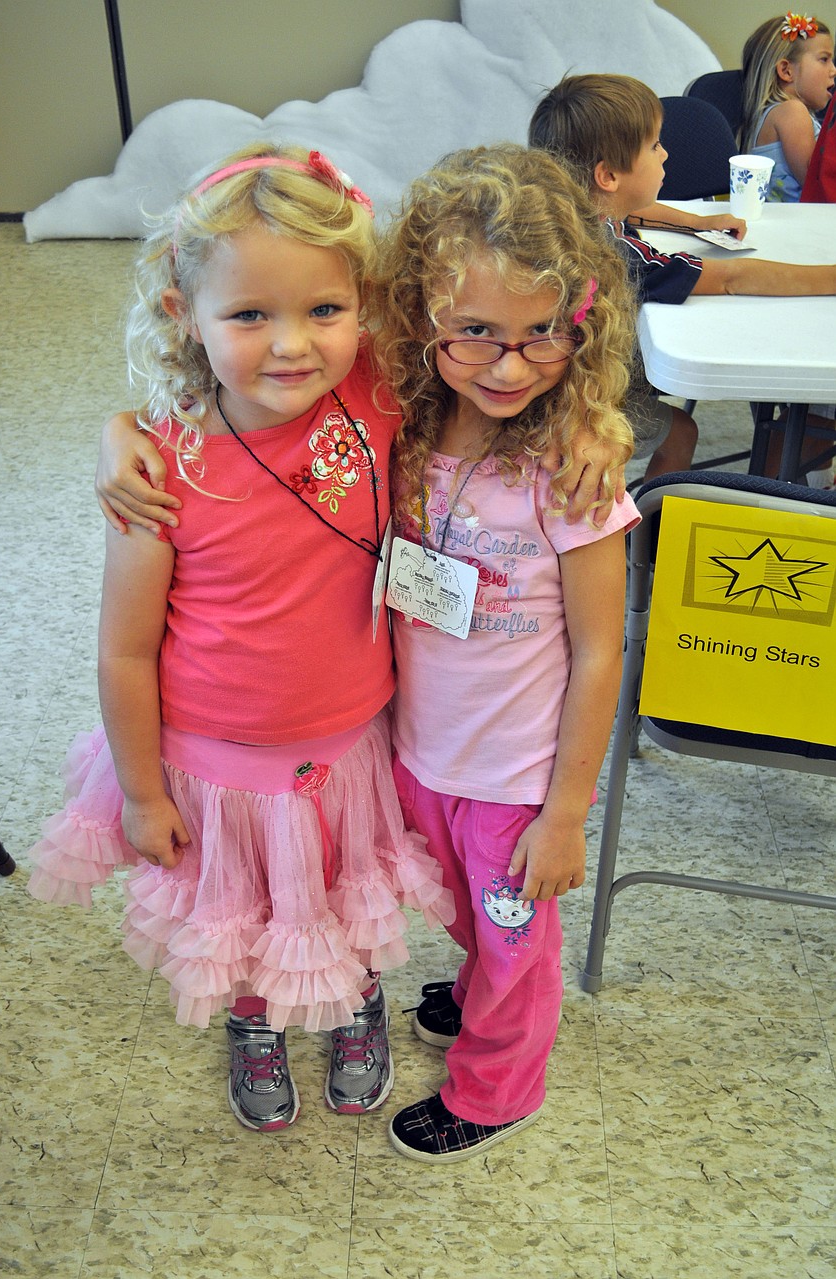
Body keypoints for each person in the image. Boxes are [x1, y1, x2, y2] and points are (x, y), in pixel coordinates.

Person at [27, 143, 459, 1135]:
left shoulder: (377, 402)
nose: (291, 345)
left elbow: (459, 303)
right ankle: (256, 1018)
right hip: (212, 762)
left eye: (323, 309)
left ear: (366, 303)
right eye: (248, 315)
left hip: (349, 737)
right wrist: (140, 791)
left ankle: (354, 1001)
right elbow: (125, 649)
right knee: (241, 910)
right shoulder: (161, 467)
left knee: (341, 896)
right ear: (185, 316)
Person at [369, 143, 641, 1162]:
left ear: (581, 324)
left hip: (517, 778)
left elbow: (603, 652)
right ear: (421, 321)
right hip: (420, 749)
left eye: (538, 337)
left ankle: (494, 1090)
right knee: (472, 916)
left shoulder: (570, 474)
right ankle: (480, 973)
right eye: (473, 333)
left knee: (519, 947)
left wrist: (566, 812)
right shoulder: (406, 427)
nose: (509, 365)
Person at [529, 72, 836, 479]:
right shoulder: (615, 256)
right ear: (608, 176)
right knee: (681, 434)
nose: (666, 155)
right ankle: (653, 534)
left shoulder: (568, 210)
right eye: (654, 145)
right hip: (577, 406)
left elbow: (636, 209)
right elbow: (733, 277)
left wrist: (698, 223)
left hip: (551, 381)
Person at [739, 11, 835, 202]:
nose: (833, 70)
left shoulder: (785, 112)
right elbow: (816, 182)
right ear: (786, 70)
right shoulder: (792, 111)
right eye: (824, 59)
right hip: (799, 225)